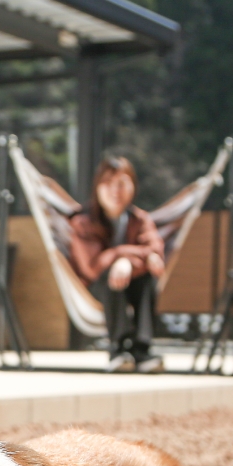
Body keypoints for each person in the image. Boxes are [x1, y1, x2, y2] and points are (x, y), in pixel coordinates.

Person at [67, 156, 166, 372]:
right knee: (111, 274)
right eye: (108, 183)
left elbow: (155, 248)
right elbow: (93, 266)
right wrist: (123, 259)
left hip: (133, 286)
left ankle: (142, 349)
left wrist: (128, 262)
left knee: (149, 276)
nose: (115, 190)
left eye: (122, 183)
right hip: (96, 289)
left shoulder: (140, 219)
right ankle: (118, 348)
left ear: (133, 187)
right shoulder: (82, 221)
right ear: (97, 188)